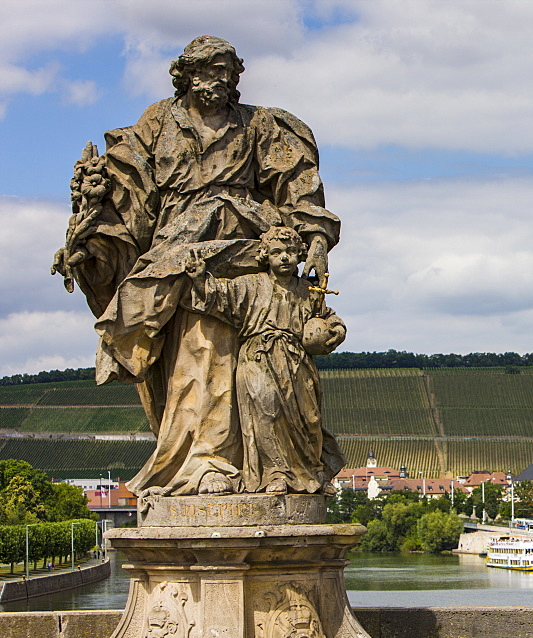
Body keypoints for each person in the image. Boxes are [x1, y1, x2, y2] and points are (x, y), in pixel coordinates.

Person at [51, 36, 343, 496]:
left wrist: (318, 237)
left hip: (247, 248)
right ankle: (202, 461)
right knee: (195, 349)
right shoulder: (158, 123)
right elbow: (127, 192)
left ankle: (257, 464)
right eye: (209, 70)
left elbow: (296, 183)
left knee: (249, 355)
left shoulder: (258, 125)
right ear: (185, 75)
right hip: (180, 253)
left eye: (227, 70)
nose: (220, 79)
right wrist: (92, 228)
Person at [185, 226, 345, 494]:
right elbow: (219, 297)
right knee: (266, 415)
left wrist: (337, 330)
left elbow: (329, 316)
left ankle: (312, 474)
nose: (284, 257)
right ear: (265, 255)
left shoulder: (309, 290)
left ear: (300, 255)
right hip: (258, 357)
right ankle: (275, 474)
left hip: (297, 361)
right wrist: (200, 279)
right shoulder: (251, 284)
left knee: (310, 419)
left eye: (291, 252)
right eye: (277, 252)